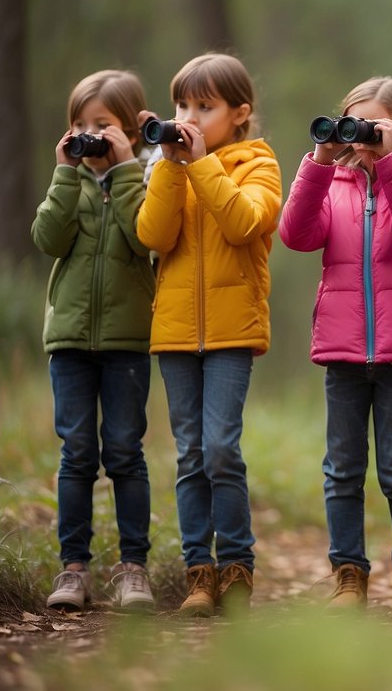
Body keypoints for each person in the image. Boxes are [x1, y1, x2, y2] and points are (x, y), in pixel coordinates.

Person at [279, 77, 392, 614]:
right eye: (354, 123)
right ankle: (347, 575)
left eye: (374, 124)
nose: (362, 135)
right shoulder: (332, 186)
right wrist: (319, 160)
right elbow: (295, 235)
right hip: (343, 351)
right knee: (342, 470)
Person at [137, 53, 282, 616]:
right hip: (174, 333)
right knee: (190, 453)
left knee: (221, 447)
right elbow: (152, 234)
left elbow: (246, 222)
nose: (189, 116)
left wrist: (201, 165)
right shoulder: (168, 167)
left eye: (205, 106)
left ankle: (237, 567)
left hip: (231, 332)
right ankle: (200, 573)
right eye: (182, 104)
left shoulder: (259, 164)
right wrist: (171, 166)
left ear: (239, 113)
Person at [32, 70, 157, 612]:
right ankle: (73, 569)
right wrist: (65, 174)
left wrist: (125, 168)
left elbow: (144, 237)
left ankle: (134, 569)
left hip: (127, 341)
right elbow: (46, 238)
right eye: (79, 125)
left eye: (102, 125)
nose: (89, 136)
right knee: (77, 452)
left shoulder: (146, 179)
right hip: (69, 341)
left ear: (129, 129)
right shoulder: (71, 182)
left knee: (125, 452)